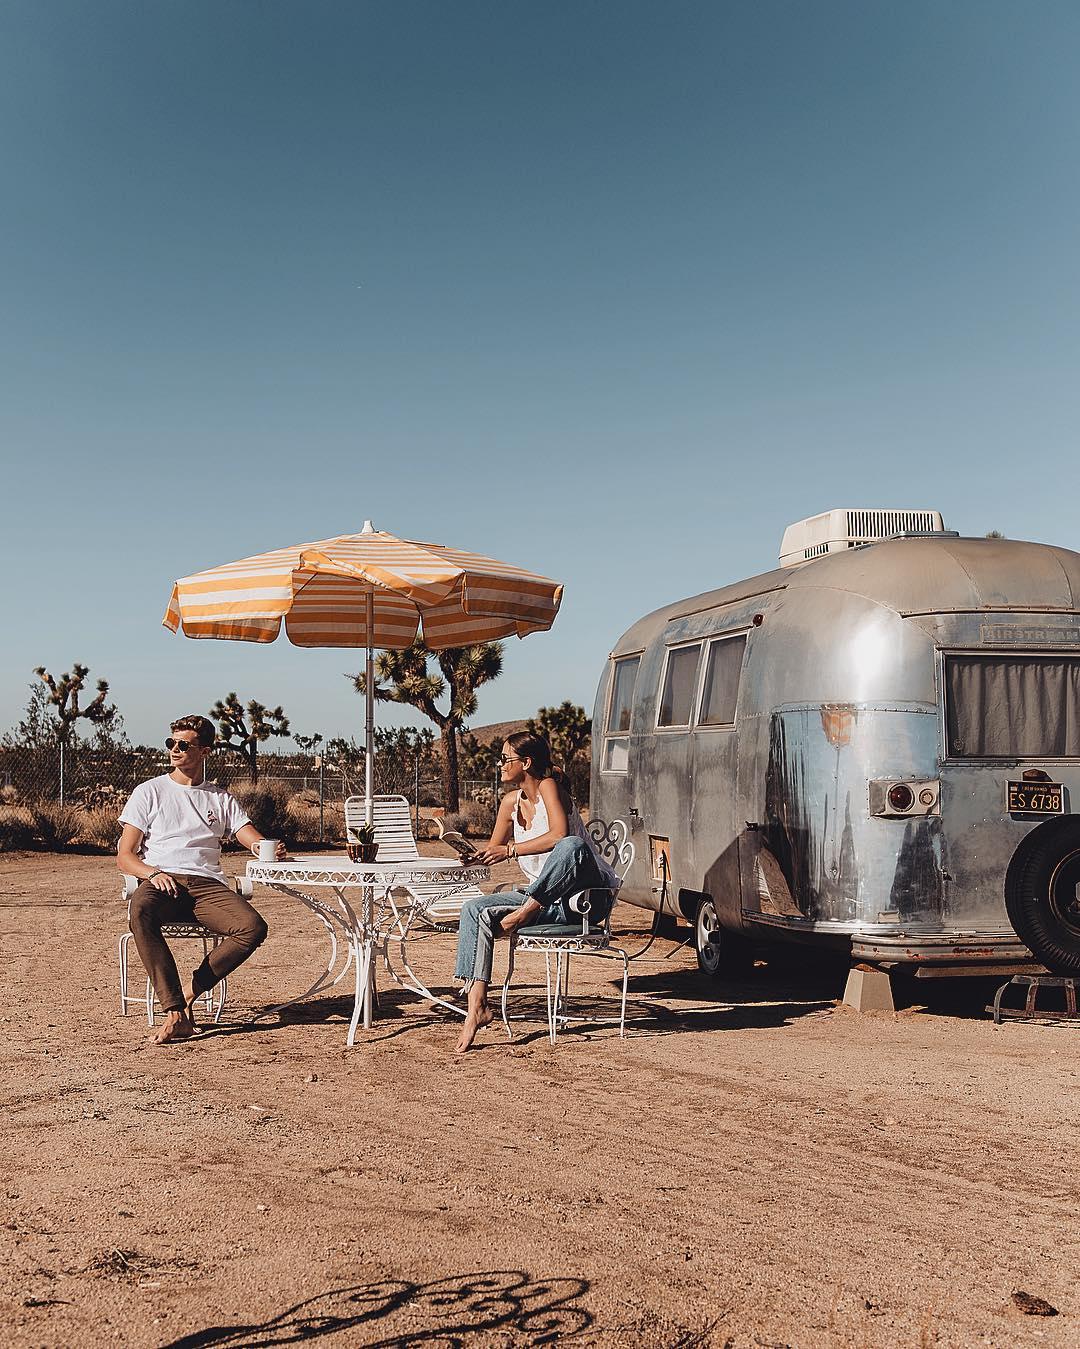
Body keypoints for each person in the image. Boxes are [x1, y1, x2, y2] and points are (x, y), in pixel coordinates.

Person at [117, 714, 286, 1044]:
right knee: (140, 911)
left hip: (206, 885)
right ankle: (174, 1012)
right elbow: (125, 855)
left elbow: (248, 836)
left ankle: (188, 993)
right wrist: (154, 873)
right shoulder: (149, 792)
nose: (175, 750)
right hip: (161, 881)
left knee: (253, 927)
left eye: (184, 745)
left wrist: (267, 848)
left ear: (205, 751)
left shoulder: (219, 798)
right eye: (171, 744)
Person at [453, 731, 621, 1054]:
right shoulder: (508, 804)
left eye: (506, 759)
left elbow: (559, 835)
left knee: (571, 845)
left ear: (526, 763)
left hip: (586, 897)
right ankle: (477, 1006)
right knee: (473, 909)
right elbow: (494, 850)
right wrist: (470, 854)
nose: (500, 765)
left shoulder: (548, 787)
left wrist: (511, 850)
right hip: (544, 897)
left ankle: (527, 910)